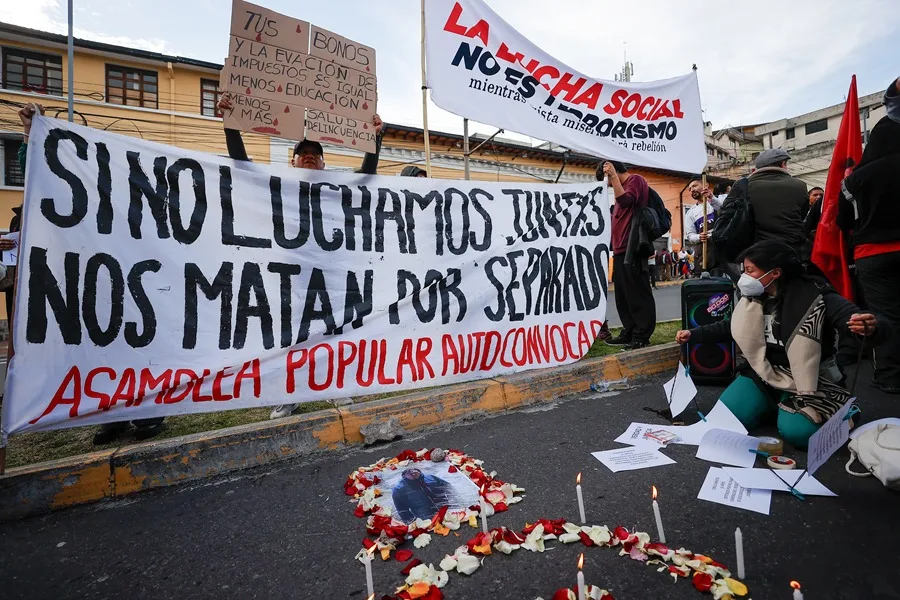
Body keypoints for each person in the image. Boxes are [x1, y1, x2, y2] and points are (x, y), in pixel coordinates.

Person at [15, 104, 164, 443]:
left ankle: (147, 414)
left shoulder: (147, 197)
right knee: (102, 353)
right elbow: (40, 173)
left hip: (140, 290)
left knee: (144, 352)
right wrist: (29, 132)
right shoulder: (82, 194)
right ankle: (112, 415)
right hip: (94, 287)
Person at [675, 241, 885, 448]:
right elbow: (733, 326)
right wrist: (693, 334)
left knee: (798, 434)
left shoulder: (816, 295)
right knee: (725, 421)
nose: (744, 277)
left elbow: (855, 318)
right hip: (763, 374)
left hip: (808, 380)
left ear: (775, 273)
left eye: (750, 270)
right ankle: (774, 406)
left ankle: (838, 410)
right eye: (744, 270)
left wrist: (870, 326)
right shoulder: (754, 297)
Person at [838, 95, 900, 393]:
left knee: (885, 315)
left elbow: (842, 220)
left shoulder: (854, 180)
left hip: (872, 254)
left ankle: (889, 375)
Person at [217, 93, 384, 173]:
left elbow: (367, 174)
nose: (310, 156)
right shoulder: (278, 180)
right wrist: (230, 122)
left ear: (323, 165)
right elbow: (241, 164)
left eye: (315, 154)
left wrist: (375, 137)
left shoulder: (337, 184)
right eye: (303, 153)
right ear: (292, 162)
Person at [601, 160, 656, 349]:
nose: (607, 183)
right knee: (623, 296)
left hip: (632, 248)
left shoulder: (636, 180)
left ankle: (641, 335)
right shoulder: (620, 187)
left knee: (637, 294)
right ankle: (630, 330)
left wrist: (614, 177)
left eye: (606, 179)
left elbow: (626, 201)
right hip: (619, 250)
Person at [725, 148, 809, 258]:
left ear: (757, 168)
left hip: (756, 251)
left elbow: (725, 214)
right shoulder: (800, 185)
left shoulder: (743, 186)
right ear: (783, 164)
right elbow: (803, 214)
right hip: (792, 249)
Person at [683, 180, 723, 263]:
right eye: (690, 189)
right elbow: (690, 235)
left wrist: (712, 198)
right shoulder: (690, 213)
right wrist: (699, 237)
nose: (692, 190)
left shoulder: (719, 200)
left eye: (694, 186)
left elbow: (725, 212)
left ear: (706, 185)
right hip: (704, 255)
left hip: (723, 251)